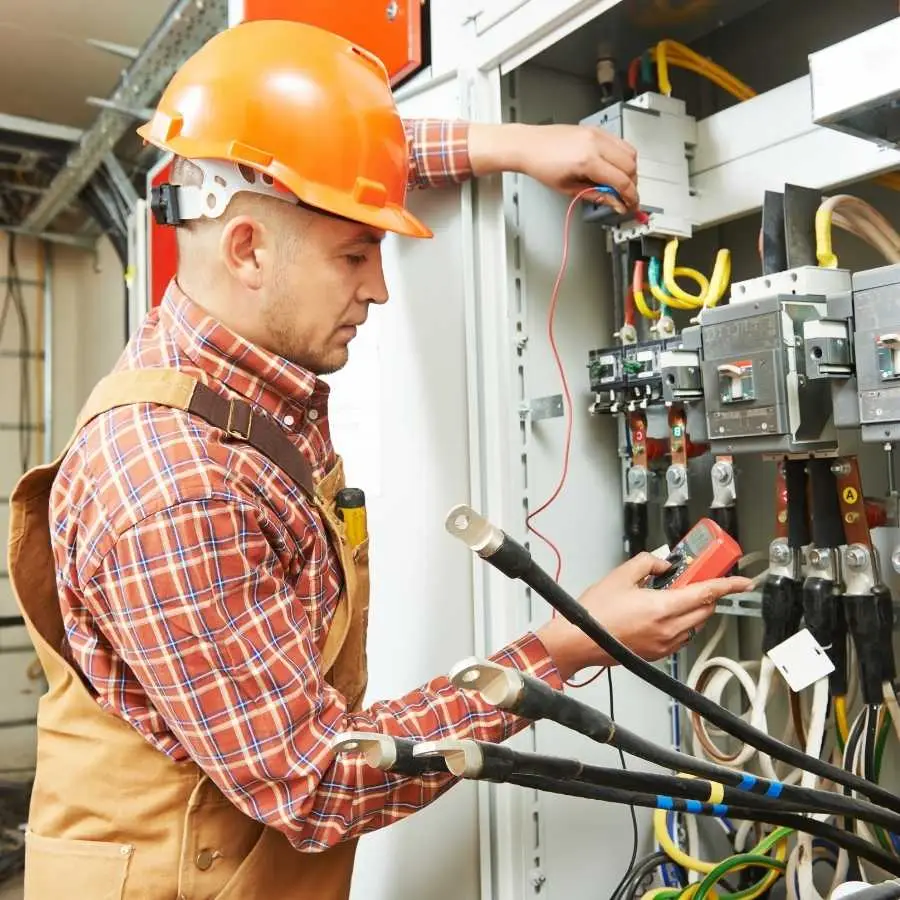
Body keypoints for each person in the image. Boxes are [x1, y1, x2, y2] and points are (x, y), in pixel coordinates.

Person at [8, 19, 750, 900]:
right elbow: (317, 779)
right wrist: (562, 649)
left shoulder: (226, 354)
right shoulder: (178, 482)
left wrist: (513, 143)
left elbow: (335, 165)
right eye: (356, 253)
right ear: (247, 248)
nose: (378, 286)